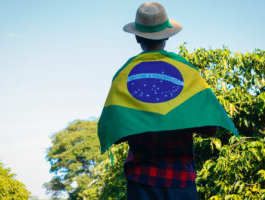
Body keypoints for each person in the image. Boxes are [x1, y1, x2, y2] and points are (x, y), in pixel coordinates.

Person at [97, 2, 238, 200]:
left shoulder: (124, 76)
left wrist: (146, 120)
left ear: (137, 37)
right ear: (167, 36)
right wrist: (175, 119)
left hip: (141, 182)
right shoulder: (188, 73)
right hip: (180, 182)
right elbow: (211, 129)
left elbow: (116, 134)